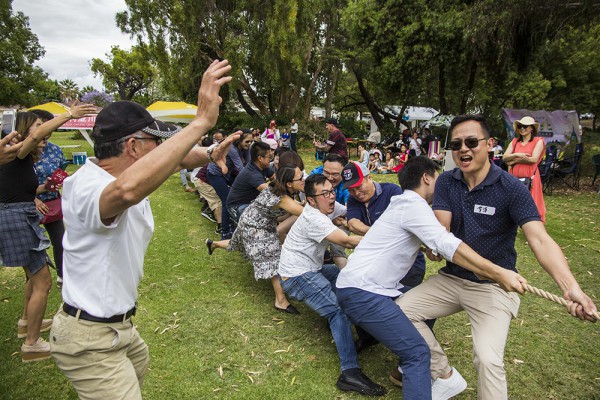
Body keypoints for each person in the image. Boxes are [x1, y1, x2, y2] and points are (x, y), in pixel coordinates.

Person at [49, 60, 239, 399]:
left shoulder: (126, 172)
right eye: (157, 143)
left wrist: (210, 152)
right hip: (89, 339)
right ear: (133, 146)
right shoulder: (87, 186)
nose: (164, 150)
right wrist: (200, 122)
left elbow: (178, 158)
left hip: (118, 329)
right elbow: (125, 193)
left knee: (139, 365)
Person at [396, 115, 597, 400]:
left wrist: (571, 288)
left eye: (471, 142)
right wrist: (433, 246)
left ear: (490, 145)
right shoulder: (446, 183)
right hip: (452, 279)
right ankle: (443, 374)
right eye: (456, 144)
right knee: (400, 312)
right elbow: (441, 231)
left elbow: (539, 239)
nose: (463, 149)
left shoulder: (511, 188)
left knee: (488, 360)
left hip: (495, 286)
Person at [337, 157, 529, 400]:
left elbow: (433, 244)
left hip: (364, 288)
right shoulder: (412, 206)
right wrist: (498, 272)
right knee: (417, 353)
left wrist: (432, 247)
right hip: (362, 291)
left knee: (410, 314)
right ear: (427, 177)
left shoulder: (404, 203)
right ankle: (438, 379)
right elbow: (447, 244)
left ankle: (446, 378)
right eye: (437, 178)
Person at [1, 102, 96, 362]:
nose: (42, 132)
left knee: (33, 277)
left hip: (18, 214)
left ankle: (25, 322)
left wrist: (45, 187)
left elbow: (18, 188)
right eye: (38, 127)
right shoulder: (17, 152)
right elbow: (34, 138)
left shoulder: (12, 158)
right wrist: (69, 115)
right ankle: (32, 344)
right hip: (18, 218)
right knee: (42, 280)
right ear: (24, 131)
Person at [277, 174, 386, 397]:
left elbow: (349, 213)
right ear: (310, 200)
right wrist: (384, 238)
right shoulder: (313, 218)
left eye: (331, 191)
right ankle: (350, 373)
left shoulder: (328, 205)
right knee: (337, 311)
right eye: (324, 194)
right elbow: (345, 241)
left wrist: (357, 218)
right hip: (296, 276)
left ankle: (364, 335)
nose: (330, 196)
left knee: (348, 278)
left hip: (312, 269)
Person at [206, 166, 305, 313]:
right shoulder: (282, 198)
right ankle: (281, 300)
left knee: (237, 243)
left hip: (249, 219)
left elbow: (287, 210)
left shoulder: (276, 188)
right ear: (289, 183)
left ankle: (213, 244)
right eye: (300, 178)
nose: (303, 179)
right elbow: (306, 214)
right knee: (273, 258)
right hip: (255, 227)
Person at [30, 109, 66, 286]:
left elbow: (61, 169)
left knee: (60, 240)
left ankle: (62, 274)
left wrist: (59, 181)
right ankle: (33, 278)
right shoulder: (21, 151)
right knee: (34, 246)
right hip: (28, 206)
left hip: (52, 203)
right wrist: (33, 199)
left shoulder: (55, 150)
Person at [207, 130, 253, 239]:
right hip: (215, 174)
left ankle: (232, 224)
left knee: (236, 196)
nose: (249, 144)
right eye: (247, 141)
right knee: (227, 200)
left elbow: (249, 164)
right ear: (239, 141)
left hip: (226, 174)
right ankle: (225, 231)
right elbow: (240, 168)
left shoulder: (246, 148)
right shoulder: (232, 148)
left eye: (251, 141)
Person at [502, 116, 546, 223]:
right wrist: (518, 154)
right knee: (514, 203)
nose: (522, 128)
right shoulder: (515, 141)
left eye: (525, 126)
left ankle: (535, 229)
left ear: (531, 128)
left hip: (530, 178)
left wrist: (514, 161)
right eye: (520, 126)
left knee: (532, 203)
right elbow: (504, 157)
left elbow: (533, 159)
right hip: (514, 179)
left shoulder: (538, 141)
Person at [310, 153, 350, 268]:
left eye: (335, 174)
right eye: (326, 172)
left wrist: (340, 221)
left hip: (340, 218)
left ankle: (347, 279)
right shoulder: (315, 175)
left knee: (337, 247)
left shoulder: (348, 183)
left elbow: (350, 209)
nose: (329, 178)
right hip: (316, 218)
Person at [226, 141, 274, 224]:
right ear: (260, 158)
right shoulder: (252, 173)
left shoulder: (263, 166)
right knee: (264, 221)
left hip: (250, 202)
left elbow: (276, 179)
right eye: (269, 157)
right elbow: (270, 191)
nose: (271, 159)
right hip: (237, 206)